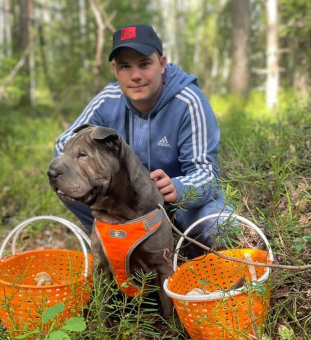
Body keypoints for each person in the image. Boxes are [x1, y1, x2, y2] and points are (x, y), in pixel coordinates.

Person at [53, 23, 231, 250]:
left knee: (221, 224)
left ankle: (185, 252)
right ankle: (116, 243)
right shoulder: (107, 100)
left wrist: (177, 187)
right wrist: (98, 178)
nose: (136, 76)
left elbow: (207, 174)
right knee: (67, 177)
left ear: (162, 64)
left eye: (144, 64)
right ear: (115, 69)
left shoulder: (188, 102)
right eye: (126, 66)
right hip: (125, 204)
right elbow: (62, 145)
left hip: (178, 205)